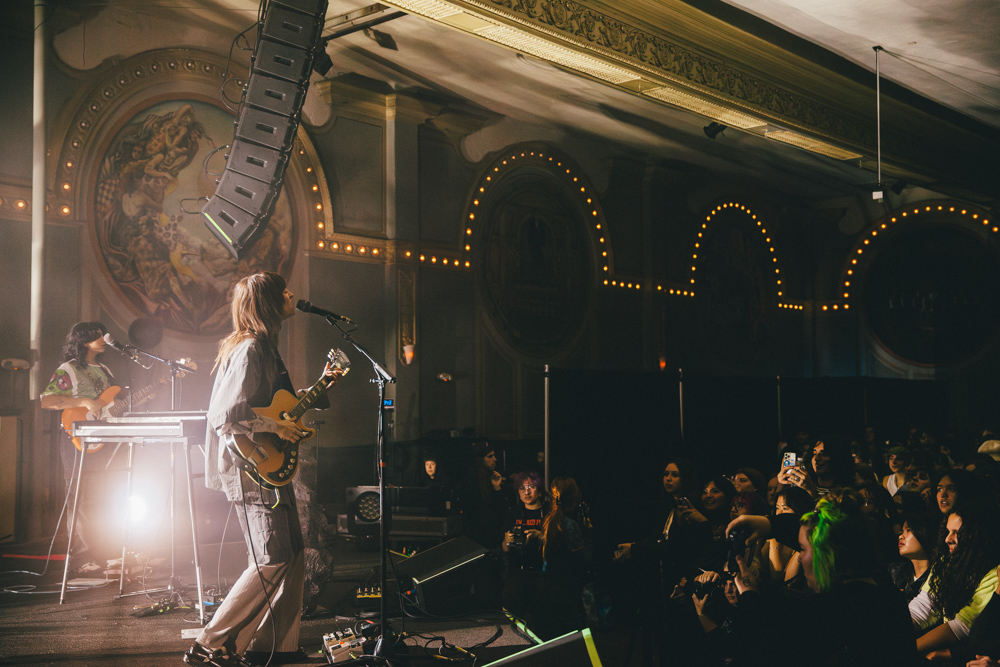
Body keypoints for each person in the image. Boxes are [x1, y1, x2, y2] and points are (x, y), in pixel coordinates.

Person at [184, 272, 343, 667]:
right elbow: (228, 416)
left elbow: (272, 408)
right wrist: (277, 426)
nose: (292, 294)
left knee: (294, 554)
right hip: (250, 467)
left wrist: (320, 387)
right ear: (268, 303)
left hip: (269, 467)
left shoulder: (264, 348)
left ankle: (275, 647)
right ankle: (209, 643)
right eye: (283, 291)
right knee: (272, 556)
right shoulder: (251, 348)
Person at [40, 321, 116, 576]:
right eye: (98, 336)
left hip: (102, 442)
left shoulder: (104, 369)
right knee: (80, 501)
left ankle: (104, 554)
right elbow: (48, 400)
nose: (104, 338)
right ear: (84, 341)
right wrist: (83, 400)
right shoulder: (68, 369)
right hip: (76, 441)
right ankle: (82, 558)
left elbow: (107, 405)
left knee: (101, 500)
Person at [500, 471, 548, 629]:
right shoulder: (513, 513)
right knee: (513, 622)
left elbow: (560, 544)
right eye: (522, 488)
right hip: (516, 573)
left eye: (531, 487)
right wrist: (507, 542)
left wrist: (540, 536)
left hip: (542, 574)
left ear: (539, 490)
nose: (526, 492)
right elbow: (504, 548)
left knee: (540, 622)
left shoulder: (549, 513)